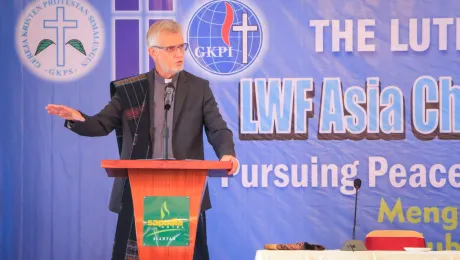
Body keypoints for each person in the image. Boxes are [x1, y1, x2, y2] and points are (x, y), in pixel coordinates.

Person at [45, 20, 238, 260]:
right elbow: (101, 124)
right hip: (139, 191)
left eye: (182, 46)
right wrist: (77, 118)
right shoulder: (130, 90)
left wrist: (226, 153)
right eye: (170, 48)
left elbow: (217, 127)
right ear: (152, 52)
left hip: (185, 190)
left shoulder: (199, 88)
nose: (179, 54)